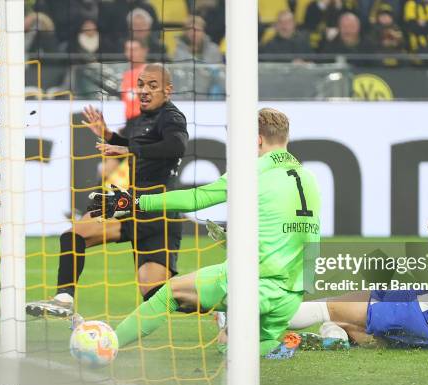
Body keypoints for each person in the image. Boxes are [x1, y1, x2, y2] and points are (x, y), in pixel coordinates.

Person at [86, 108, 321, 358]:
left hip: (254, 286)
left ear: (258, 140)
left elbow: (196, 199)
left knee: (170, 292)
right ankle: (282, 341)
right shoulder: (308, 178)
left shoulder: (251, 173)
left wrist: (136, 202)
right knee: (229, 347)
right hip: (292, 293)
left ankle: (108, 346)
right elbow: (308, 239)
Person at [26, 63, 188, 317]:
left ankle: (64, 298)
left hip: (153, 205)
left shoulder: (171, 117)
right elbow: (137, 143)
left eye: (152, 86)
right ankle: (218, 309)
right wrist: (110, 136)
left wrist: (129, 150)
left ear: (168, 90)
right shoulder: (139, 120)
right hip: (140, 201)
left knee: (74, 234)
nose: (144, 90)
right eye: (141, 85)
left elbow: (175, 147)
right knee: (154, 293)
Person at [290, 192, 428, 350]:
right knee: (348, 324)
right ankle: (336, 338)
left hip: (421, 312)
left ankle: (258, 325)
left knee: (328, 307)